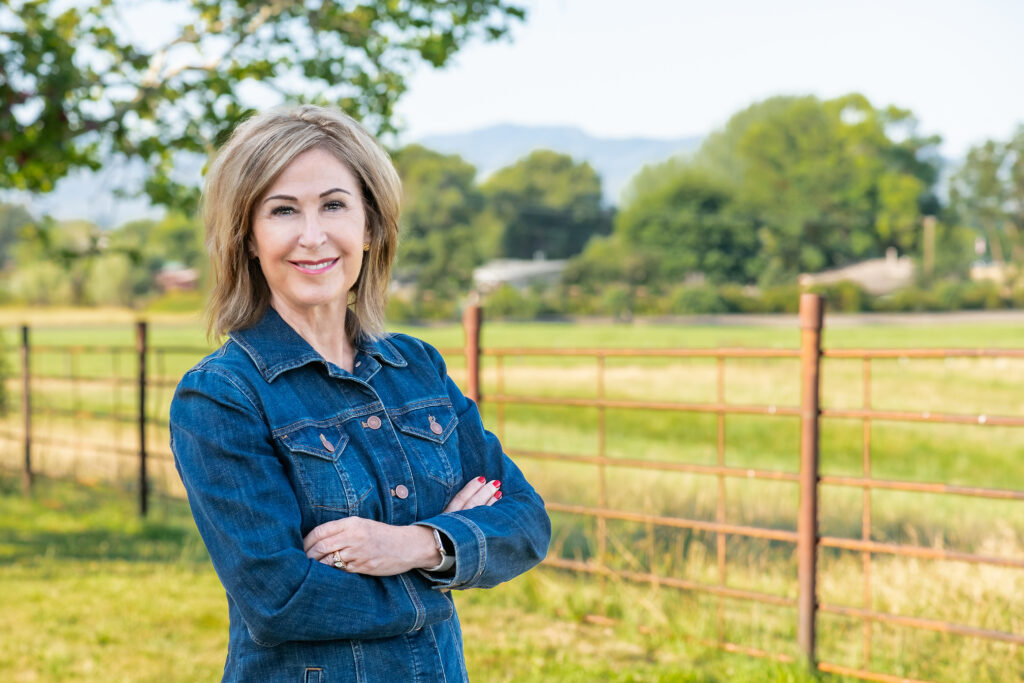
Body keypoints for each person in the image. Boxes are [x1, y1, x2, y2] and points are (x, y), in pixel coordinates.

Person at [169, 105, 551, 682]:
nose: (312, 236)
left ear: (370, 227)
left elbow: (525, 521)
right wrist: (444, 574)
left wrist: (415, 545)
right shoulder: (222, 396)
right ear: (247, 237)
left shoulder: (416, 367)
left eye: (334, 205)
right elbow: (280, 599)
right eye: (283, 210)